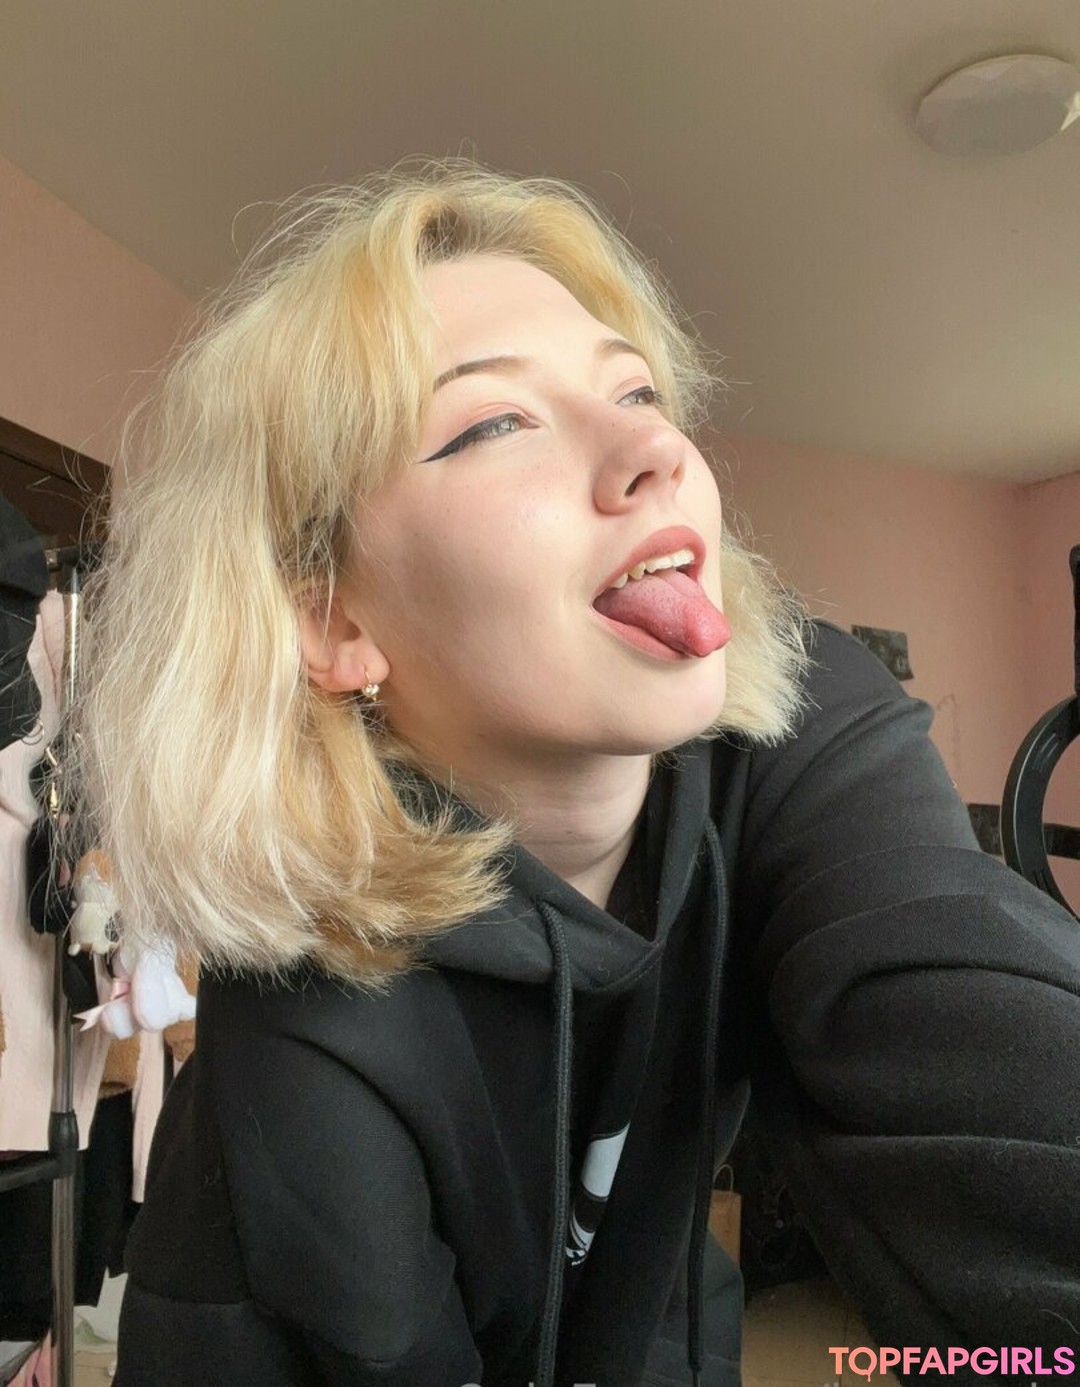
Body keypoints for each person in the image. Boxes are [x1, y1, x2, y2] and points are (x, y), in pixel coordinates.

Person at [73, 162, 1080, 1387]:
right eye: (495, 422)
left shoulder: (806, 722)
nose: (656, 447)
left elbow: (974, 1021)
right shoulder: (308, 1031)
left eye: (638, 390)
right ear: (332, 619)